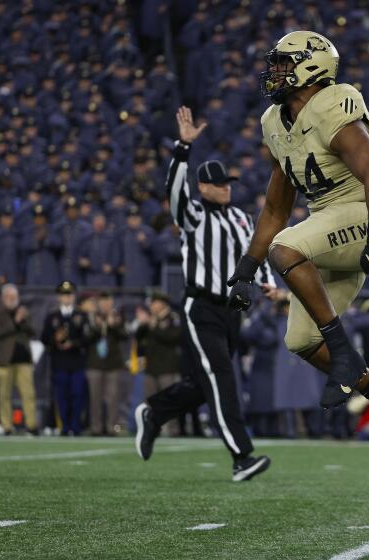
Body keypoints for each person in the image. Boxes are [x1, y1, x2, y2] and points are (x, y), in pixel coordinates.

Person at [227, 30, 369, 469]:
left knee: (287, 248)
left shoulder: (333, 102)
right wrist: (245, 271)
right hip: (328, 226)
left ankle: (345, 355)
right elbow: (276, 208)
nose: (274, 71)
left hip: (366, 213)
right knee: (299, 340)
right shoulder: (275, 122)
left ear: (312, 66)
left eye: (283, 63)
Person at [134, 107, 274, 482]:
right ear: (204, 187)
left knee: (203, 384)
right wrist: (182, 147)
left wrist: (267, 281)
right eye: (220, 183)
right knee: (222, 378)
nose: (227, 187)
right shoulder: (194, 215)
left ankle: (155, 412)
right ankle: (241, 456)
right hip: (201, 307)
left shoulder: (241, 218)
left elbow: (254, 250)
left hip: (232, 312)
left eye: (229, 183)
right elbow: (174, 191)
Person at [41, 281, 91, 436]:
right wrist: (55, 339)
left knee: (77, 395)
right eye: (64, 295)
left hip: (77, 362)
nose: (67, 298)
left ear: (73, 296)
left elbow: (87, 339)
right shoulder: (52, 317)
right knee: (61, 397)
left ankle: (75, 427)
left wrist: (73, 343)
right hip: (59, 362)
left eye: (69, 295)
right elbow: (44, 339)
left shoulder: (81, 316)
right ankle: (64, 426)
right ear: (59, 297)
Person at [0, 284, 38, 435]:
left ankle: (31, 425)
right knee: (4, 395)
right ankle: (7, 426)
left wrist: (23, 320)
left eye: (14, 297)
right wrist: (15, 321)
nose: (12, 300)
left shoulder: (23, 312)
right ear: (3, 298)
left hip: (23, 359)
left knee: (28, 394)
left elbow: (33, 331)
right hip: (4, 360)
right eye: (9, 297)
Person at [135, 292, 182, 432]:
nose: (152, 306)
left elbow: (172, 337)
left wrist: (153, 326)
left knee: (169, 401)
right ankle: (151, 429)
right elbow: (139, 338)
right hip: (151, 367)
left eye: (154, 302)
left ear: (162, 303)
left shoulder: (173, 318)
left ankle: (172, 430)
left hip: (167, 367)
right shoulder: (150, 320)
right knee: (150, 401)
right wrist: (144, 324)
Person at [85, 292, 127, 436]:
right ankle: (96, 427)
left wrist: (113, 325)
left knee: (113, 398)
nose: (105, 304)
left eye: (108, 301)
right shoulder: (90, 317)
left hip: (113, 364)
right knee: (94, 398)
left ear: (112, 302)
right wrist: (97, 327)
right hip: (95, 363)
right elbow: (85, 338)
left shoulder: (117, 316)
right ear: (98, 303)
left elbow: (125, 336)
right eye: (103, 301)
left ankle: (112, 427)